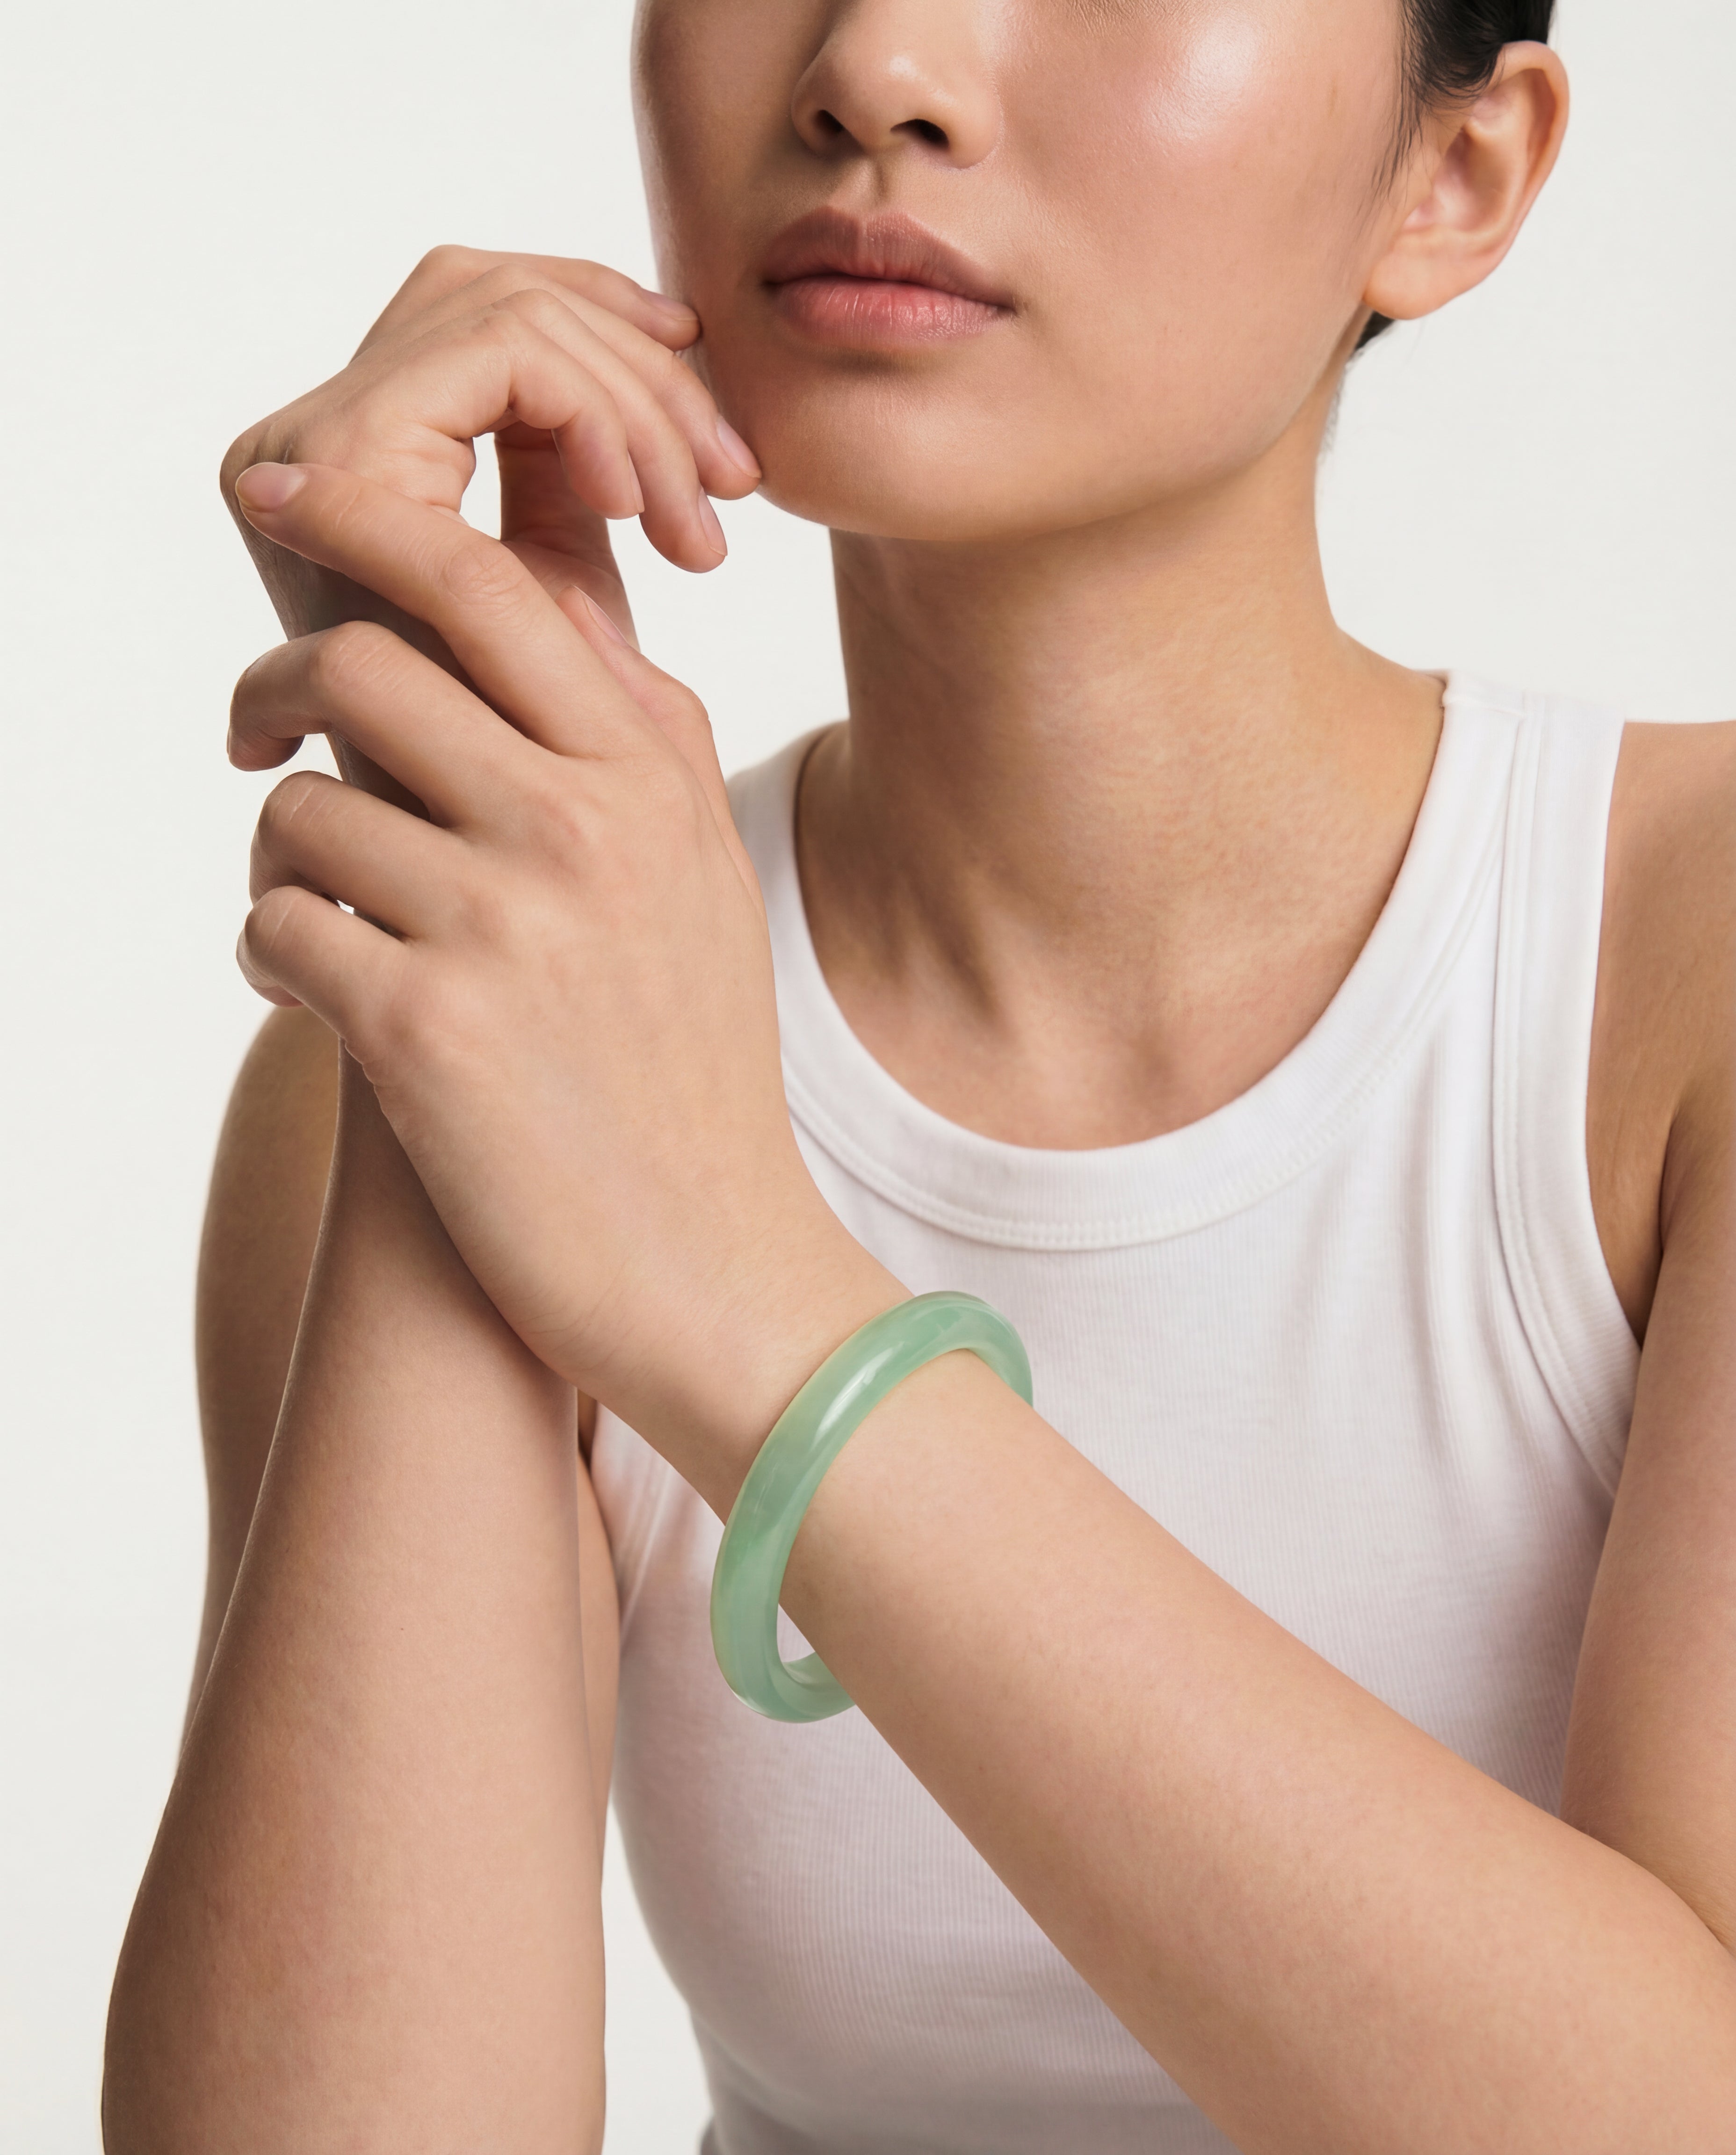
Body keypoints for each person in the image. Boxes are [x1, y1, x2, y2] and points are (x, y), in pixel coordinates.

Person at [103, 0, 1736, 2148]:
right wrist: (461, 849)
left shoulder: (1683, 965)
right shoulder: (419, 1061)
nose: (877, 64)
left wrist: (744, 1300)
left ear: (1456, 176)